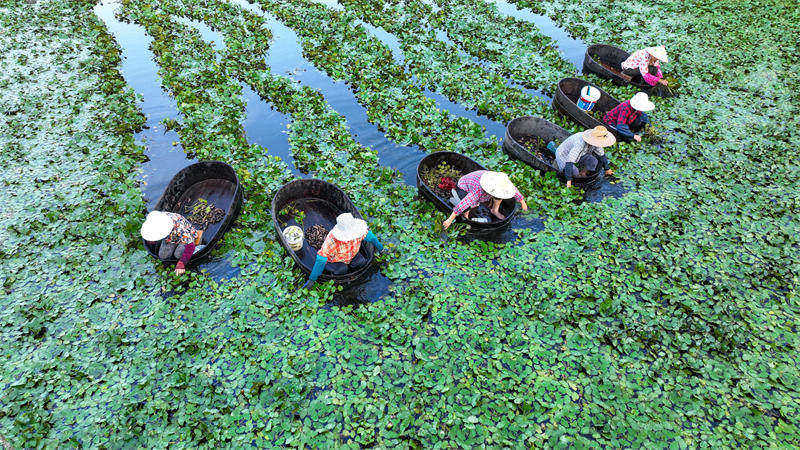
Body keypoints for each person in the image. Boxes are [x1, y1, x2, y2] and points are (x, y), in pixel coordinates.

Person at [303, 213, 384, 288]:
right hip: (337, 260)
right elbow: (321, 260)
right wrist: (312, 279)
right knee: (342, 270)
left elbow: (372, 238)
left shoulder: (359, 232)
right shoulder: (332, 241)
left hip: (352, 255)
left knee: (362, 262)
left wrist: (381, 249)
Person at [442, 171, 528, 229]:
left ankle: (495, 210)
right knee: (469, 206)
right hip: (465, 187)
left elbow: (514, 190)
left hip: (483, 188)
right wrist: (449, 220)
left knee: (499, 196)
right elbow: (464, 204)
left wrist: (523, 203)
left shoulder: (500, 182)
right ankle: (466, 215)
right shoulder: (478, 190)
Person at [141, 211, 204, 275]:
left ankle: (197, 249)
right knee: (163, 256)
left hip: (186, 238)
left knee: (178, 255)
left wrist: (181, 263)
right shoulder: (157, 218)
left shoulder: (180, 229)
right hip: (171, 238)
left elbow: (190, 246)